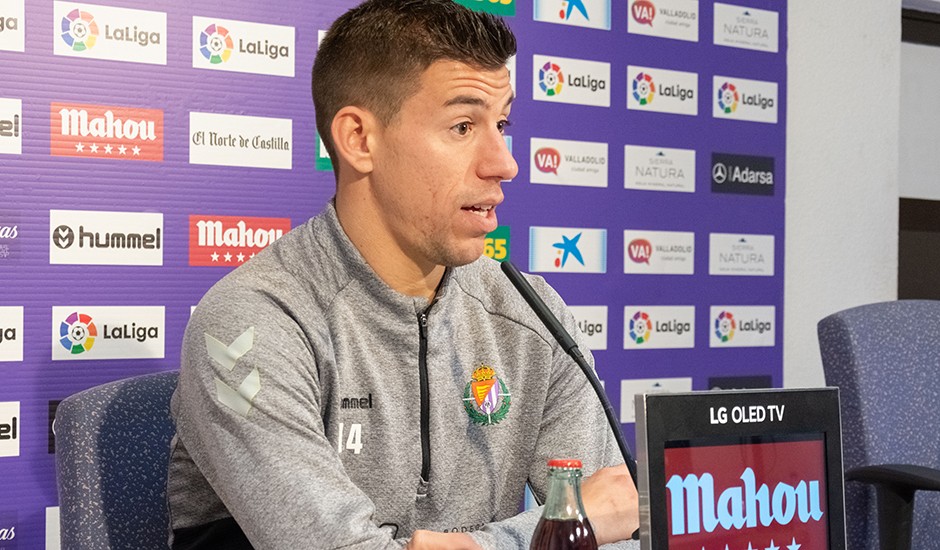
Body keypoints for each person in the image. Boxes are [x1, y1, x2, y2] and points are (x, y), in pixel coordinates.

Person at [167, 0, 639, 547]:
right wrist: (545, 531)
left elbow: (617, 527)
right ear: (360, 140)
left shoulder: (533, 314)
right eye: (463, 125)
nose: (504, 162)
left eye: (502, 123)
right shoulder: (251, 323)